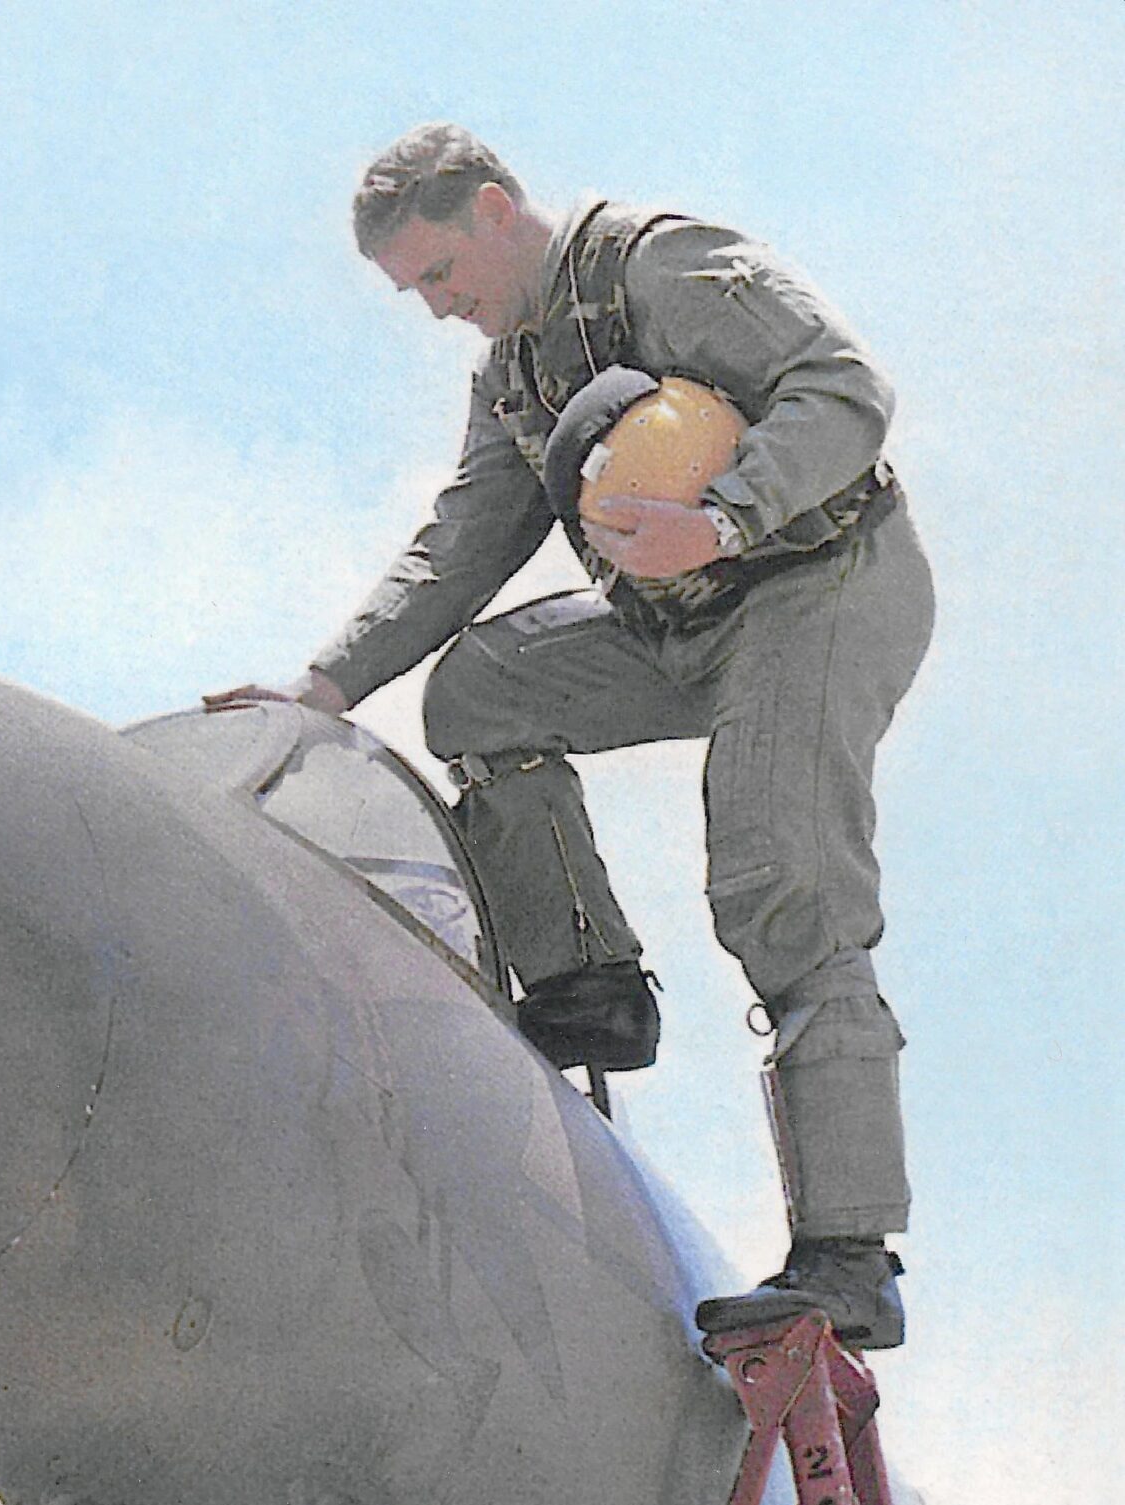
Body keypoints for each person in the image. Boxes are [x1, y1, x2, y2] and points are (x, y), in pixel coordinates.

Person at [211, 124, 933, 1349]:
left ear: (495, 210)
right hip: (679, 615)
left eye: (440, 275)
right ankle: (589, 981)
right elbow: (465, 542)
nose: (439, 309)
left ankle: (849, 1255)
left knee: (778, 882)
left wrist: (725, 513)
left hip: (820, 584)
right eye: (415, 295)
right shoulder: (513, 373)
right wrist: (323, 688)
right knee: (479, 693)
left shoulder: (665, 268)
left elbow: (845, 394)